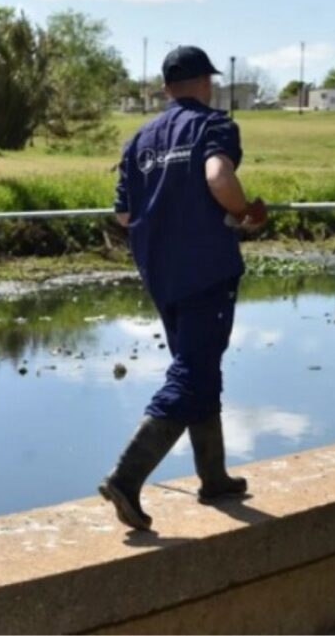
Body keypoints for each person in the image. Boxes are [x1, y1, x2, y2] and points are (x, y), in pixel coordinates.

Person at [99, 46, 268, 532]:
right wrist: (243, 214)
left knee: (197, 363)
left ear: (167, 85)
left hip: (160, 271)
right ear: (203, 81)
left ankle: (213, 478)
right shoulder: (213, 125)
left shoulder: (139, 139)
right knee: (193, 372)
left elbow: (125, 215)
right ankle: (126, 478)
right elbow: (219, 176)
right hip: (206, 267)